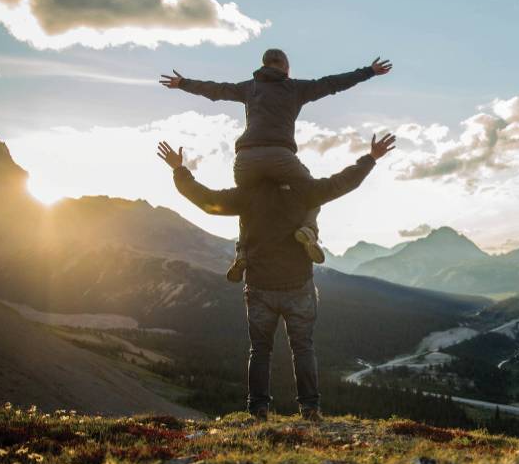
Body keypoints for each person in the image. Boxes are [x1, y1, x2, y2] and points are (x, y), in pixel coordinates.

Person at [155, 133, 396, 422]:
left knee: (260, 350)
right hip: (298, 285)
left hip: (259, 286)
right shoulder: (304, 190)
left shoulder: (247, 196)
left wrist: (179, 169)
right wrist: (370, 158)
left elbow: (206, 201)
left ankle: (257, 410)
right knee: (303, 348)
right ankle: (309, 409)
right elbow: (344, 182)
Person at [160, 49, 392, 282]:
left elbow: (217, 90)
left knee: (247, 200)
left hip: (246, 161)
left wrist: (183, 83)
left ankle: (242, 253)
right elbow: (332, 83)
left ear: (264, 64)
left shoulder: (249, 87)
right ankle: (309, 230)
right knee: (313, 192)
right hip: (280, 156)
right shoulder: (295, 88)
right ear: (286, 66)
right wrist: (369, 72)